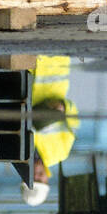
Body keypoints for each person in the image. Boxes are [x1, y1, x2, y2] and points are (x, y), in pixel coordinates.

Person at [20, 56, 79, 206]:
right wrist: (64, 107)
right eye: (40, 179)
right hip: (55, 63)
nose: (36, 175)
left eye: (32, 179)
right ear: (47, 179)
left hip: (26, 63)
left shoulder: (14, 152)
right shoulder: (60, 152)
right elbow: (74, 120)